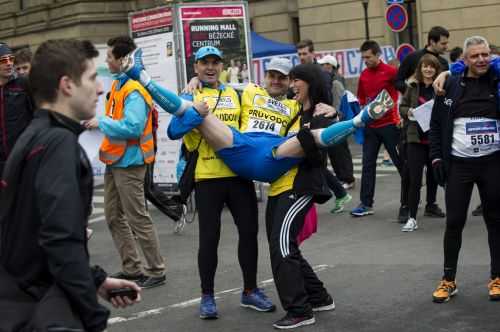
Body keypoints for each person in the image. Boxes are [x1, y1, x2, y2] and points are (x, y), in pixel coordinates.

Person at [0, 38, 140, 332]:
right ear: (67, 85)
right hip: (40, 311)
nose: (100, 88)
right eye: (91, 78)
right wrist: (93, 316)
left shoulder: (35, 136)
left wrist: (96, 280)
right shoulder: (57, 144)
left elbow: (33, 236)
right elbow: (60, 240)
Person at [121, 47, 394, 185]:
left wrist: (334, 110)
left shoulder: (295, 104)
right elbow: (214, 89)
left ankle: (363, 119)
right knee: (197, 111)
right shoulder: (248, 90)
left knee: (308, 137)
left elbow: (320, 117)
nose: (276, 81)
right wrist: (195, 83)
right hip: (240, 149)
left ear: (291, 82)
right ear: (265, 76)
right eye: (271, 76)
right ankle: (140, 75)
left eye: (283, 78)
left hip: (272, 155)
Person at [168, 46, 276, 319]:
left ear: (221, 67)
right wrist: (195, 112)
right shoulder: (189, 95)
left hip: (240, 175)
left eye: (215, 62)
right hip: (208, 178)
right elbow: (173, 130)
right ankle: (207, 297)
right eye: (205, 63)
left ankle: (250, 291)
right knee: (209, 239)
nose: (210, 67)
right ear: (196, 67)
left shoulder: (233, 94)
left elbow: (249, 128)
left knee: (249, 233)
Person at [84, 36, 166, 289]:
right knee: (112, 216)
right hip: (116, 160)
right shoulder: (120, 86)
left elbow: (132, 127)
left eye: (109, 56)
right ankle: (132, 268)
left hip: (130, 162)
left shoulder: (133, 89)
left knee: (137, 217)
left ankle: (155, 269)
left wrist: (102, 123)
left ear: (121, 59)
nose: (106, 60)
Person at [429, 36, 500, 303]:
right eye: (475, 56)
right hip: (460, 165)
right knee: (454, 222)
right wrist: (436, 159)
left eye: (485, 55)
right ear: (465, 60)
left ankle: (497, 276)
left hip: (493, 162)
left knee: (495, 221)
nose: (481, 60)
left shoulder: (497, 80)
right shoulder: (450, 84)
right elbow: (436, 125)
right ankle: (448, 279)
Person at [351, 40, 402, 217]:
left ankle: (412, 196)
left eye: (368, 57)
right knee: (368, 165)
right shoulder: (364, 75)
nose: (365, 60)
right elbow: (362, 99)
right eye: (363, 57)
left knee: (400, 162)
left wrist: (399, 114)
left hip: (389, 125)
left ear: (378, 55)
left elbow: (402, 91)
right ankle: (366, 204)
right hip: (371, 127)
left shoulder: (391, 72)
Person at [399, 54, 443, 232]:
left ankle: (431, 205)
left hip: (434, 139)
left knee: (436, 176)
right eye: (425, 66)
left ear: (436, 69)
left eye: (431, 67)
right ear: (420, 68)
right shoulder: (413, 86)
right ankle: (411, 217)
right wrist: (409, 111)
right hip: (415, 139)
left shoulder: (441, 87)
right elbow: (402, 107)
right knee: (415, 179)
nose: (428, 69)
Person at [318, 54, 356, 191]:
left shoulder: (335, 82)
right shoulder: (333, 80)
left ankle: (347, 178)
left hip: (336, 121)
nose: (321, 67)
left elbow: (337, 104)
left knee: (340, 152)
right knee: (335, 153)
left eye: (323, 65)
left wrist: (333, 117)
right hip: (333, 121)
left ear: (330, 66)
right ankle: (343, 178)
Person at [0, 42, 33, 176]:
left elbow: (38, 116)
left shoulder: (23, 84)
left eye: (11, 59)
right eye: (3, 60)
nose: (9, 63)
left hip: (22, 160)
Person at [395, 26, 450, 94]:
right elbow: (398, 82)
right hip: (415, 104)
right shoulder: (412, 57)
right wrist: (411, 92)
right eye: (443, 43)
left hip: (437, 103)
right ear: (432, 42)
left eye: (447, 43)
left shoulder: (444, 62)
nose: (446, 46)